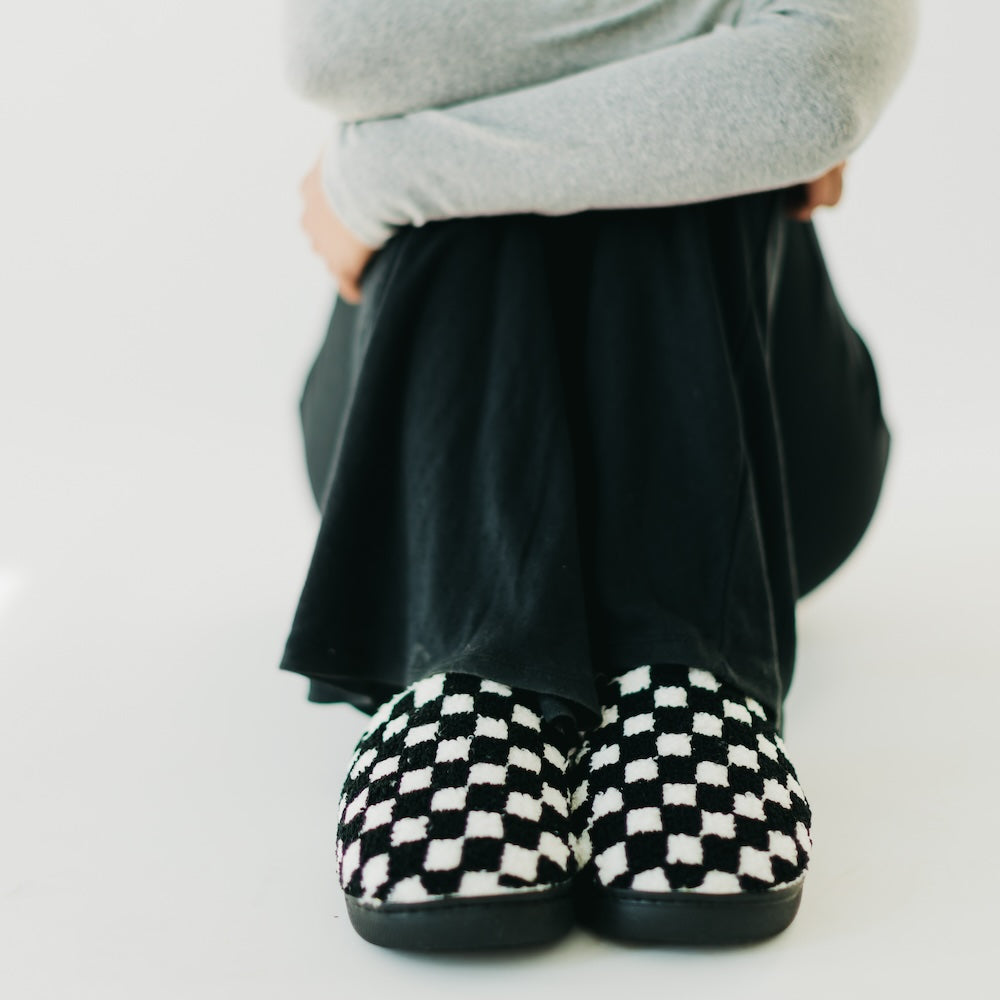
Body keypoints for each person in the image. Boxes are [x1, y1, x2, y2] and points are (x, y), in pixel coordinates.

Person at [279, 0, 919, 950]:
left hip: (765, 463)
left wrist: (387, 168)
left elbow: (818, 83)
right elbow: (346, 48)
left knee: (681, 170)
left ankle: (682, 666)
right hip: (420, 468)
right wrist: (721, 47)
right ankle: (475, 671)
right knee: (693, 137)